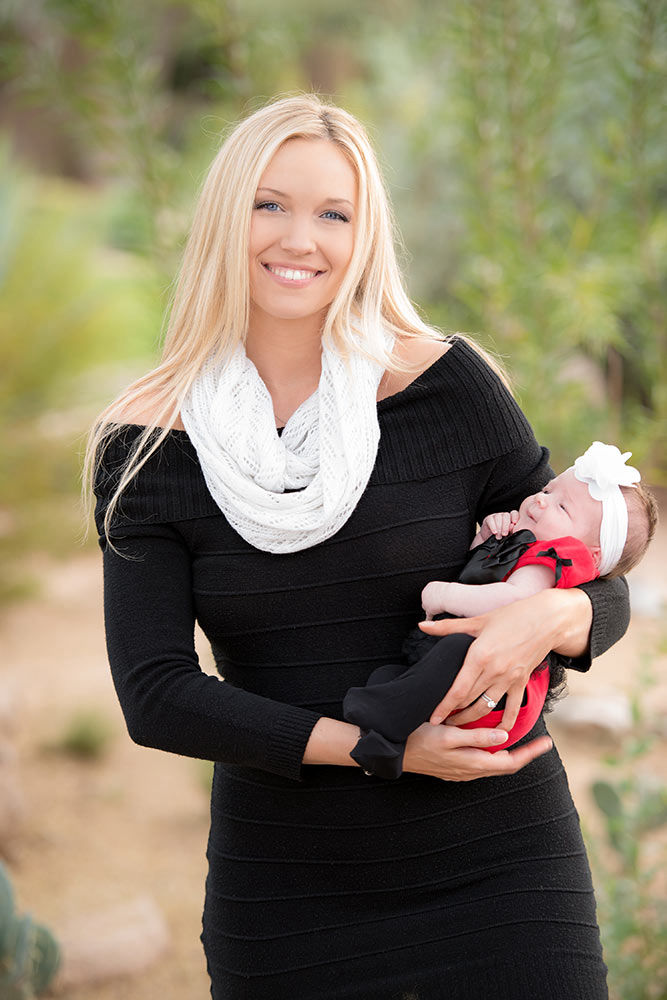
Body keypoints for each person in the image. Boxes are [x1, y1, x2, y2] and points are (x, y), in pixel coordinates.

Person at [86, 95, 633, 1000]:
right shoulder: (145, 446)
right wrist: (380, 748)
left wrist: (556, 612)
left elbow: (593, 573)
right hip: (289, 897)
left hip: (500, 871)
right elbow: (156, 696)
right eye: (270, 204)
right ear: (225, 216)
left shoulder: (448, 390)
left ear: (363, 231)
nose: (301, 238)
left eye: (333, 213)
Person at [344, 443, 657, 777]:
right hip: (468, 676)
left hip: (496, 697)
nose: (541, 499)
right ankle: (391, 712)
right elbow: (476, 572)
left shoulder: (555, 559)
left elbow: (509, 601)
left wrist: (446, 595)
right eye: (548, 490)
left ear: (590, 555)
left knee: (458, 648)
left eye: (562, 507)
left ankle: (387, 733)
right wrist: (487, 538)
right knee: (391, 678)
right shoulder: (524, 541)